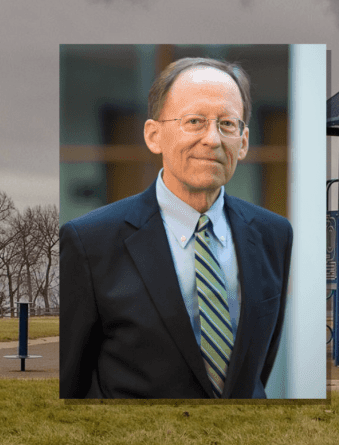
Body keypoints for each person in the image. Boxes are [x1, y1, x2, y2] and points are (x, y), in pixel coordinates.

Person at [60, 58, 292, 399]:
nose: (212, 139)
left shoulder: (274, 234)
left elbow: (256, 367)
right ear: (154, 135)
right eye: (194, 121)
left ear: (242, 142)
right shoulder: (88, 242)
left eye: (227, 124)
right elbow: (71, 383)